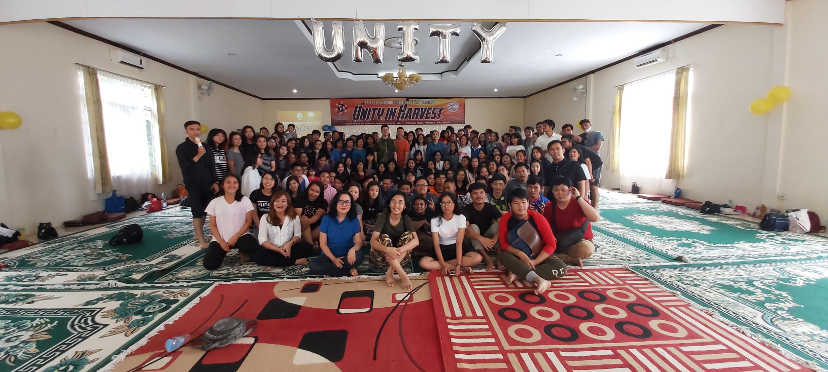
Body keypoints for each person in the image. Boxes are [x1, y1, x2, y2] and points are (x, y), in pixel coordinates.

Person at [497, 187, 567, 294]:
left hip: (538, 254)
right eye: (516, 203)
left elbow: (551, 244)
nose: (521, 206)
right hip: (517, 257)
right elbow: (503, 244)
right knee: (502, 254)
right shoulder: (505, 219)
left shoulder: (537, 217)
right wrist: (520, 253)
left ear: (528, 203)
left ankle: (518, 273)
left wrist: (535, 261)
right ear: (510, 206)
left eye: (524, 202)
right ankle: (539, 280)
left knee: (561, 268)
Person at [176, 120, 217, 249]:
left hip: (208, 183)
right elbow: (186, 167)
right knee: (197, 211)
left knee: (206, 210)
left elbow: (211, 165)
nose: (195, 132)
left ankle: (198, 233)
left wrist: (215, 181)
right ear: (186, 131)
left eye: (197, 129)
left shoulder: (205, 146)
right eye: (192, 129)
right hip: (193, 184)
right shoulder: (182, 148)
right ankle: (200, 240)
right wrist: (198, 155)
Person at [203, 175, 258, 270]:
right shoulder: (215, 202)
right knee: (209, 265)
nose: (232, 185)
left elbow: (248, 222)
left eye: (235, 182)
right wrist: (221, 242)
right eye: (228, 182)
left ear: (238, 185)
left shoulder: (245, 200)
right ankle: (222, 252)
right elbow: (212, 225)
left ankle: (243, 253)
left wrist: (235, 237)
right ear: (222, 185)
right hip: (221, 239)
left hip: (241, 236)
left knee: (254, 250)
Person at [419, 192, 483, 274]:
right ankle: (457, 267)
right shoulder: (435, 220)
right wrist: (443, 264)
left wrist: (459, 263)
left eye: (449, 202)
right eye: (443, 203)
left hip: (457, 248)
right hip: (441, 248)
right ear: (440, 205)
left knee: (477, 258)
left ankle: (456, 266)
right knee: (423, 263)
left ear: (454, 204)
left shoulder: (461, 218)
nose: (446, 206)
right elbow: (436, 245)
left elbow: (459, 243)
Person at [543, 176, 600, 267]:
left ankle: (556, 257)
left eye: (563, 190)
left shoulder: (579, 202)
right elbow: (546, 228)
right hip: (560, 242)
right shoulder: (550, 207)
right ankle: (567, 259)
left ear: (570, 190)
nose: (560, 193)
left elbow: (595, 218)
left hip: (579, 242)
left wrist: (578, 197)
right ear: (552, 192)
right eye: (556, 190)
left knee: (586, 249)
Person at [370, 192, 419, 290]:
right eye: (393, 202)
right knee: (384, 237)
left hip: (400, 258)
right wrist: (388, 250)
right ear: (389, 204)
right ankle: (403, 275)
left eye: (400, 202)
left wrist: (399, 250)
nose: (396, 205)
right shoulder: (383, 216)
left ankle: (390, 271)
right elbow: (372, 241)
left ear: (404, 206)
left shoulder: (406, 218)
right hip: (381, 259)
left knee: (409, 236)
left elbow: (416, 241)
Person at [310, 191, 365, 277]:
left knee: (359, 256)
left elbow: (359, 242)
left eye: (347, 202)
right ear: (335, 203)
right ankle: (348, 269)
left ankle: (337, 270)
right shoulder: (326, 219)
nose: (344, 204)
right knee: (313, 266)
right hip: (330, 255)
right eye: (341, 201)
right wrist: (334, 259)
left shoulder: (354, 220)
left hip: (347, 255)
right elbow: (323, 244)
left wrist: (353, 249)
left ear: (351, 205)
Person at [255, 190, 313, 267]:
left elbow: (298, 235)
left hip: (289, 248)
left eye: (283, 201)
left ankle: (278, 262)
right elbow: (262, 240)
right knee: (259, 256)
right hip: (272, 249)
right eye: (277, 201)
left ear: (288, 204)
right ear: (272, 203)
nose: (280, 204)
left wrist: (289, 244)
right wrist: (279, 250)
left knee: (307, 247)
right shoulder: (265, 217)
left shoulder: (294, 217)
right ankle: (293, 262)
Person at [463, 183, 502, 270]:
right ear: (471, 196)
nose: (479, 196)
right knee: (472, 227)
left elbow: (502, 223)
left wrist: (495, 239)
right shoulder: (467, 209)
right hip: (473, 240)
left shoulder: (491, 207)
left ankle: (499, 257)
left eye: (481, 192)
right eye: (475, 193)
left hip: (489, 238)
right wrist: (482, 239)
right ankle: (486, 258)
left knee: (498, 226)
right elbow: (465, 228)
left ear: (485, 194)